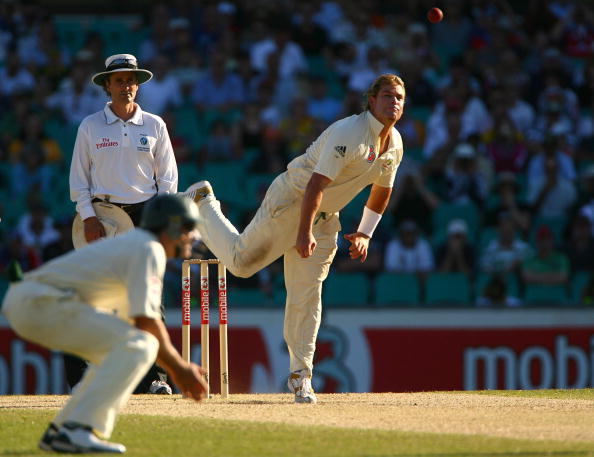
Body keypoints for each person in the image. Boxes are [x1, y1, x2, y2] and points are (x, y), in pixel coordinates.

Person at [185, 74, 405, 403]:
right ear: (371, 100)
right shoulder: (349, 132)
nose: (394, 102)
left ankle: (301, 377)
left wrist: (364, 233)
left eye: (400, 97)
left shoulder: (396, 144)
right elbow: (315, 186)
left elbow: (382, 191)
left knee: (306, 296)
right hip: (293, 202)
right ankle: (203, 201)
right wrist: (303, 233)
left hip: (325, 219)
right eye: (387, 95)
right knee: (241, 265)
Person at [1, 194, 208, 453]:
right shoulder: (148, 248)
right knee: (139, 346)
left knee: (127, 347)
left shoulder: (138, 246)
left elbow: (137, 321)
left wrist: (176, 367)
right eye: (188, 228)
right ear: (172, 226)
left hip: (30, 301)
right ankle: (78, 429)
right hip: (40, 302)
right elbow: (147, 322)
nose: (192, 236)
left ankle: (62, 429)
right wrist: (180, 369)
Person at [68, 53, 178, 394]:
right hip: (103, 217)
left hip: (145, 215)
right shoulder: (91, 125)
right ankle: (82, 377)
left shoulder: (155, 124)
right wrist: (88, 217)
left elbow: (169, 181)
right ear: (107, 85)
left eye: (131, 80)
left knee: (148, 300)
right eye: (119, 80)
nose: (126, 86)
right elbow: (78, 180)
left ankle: (154, 380)